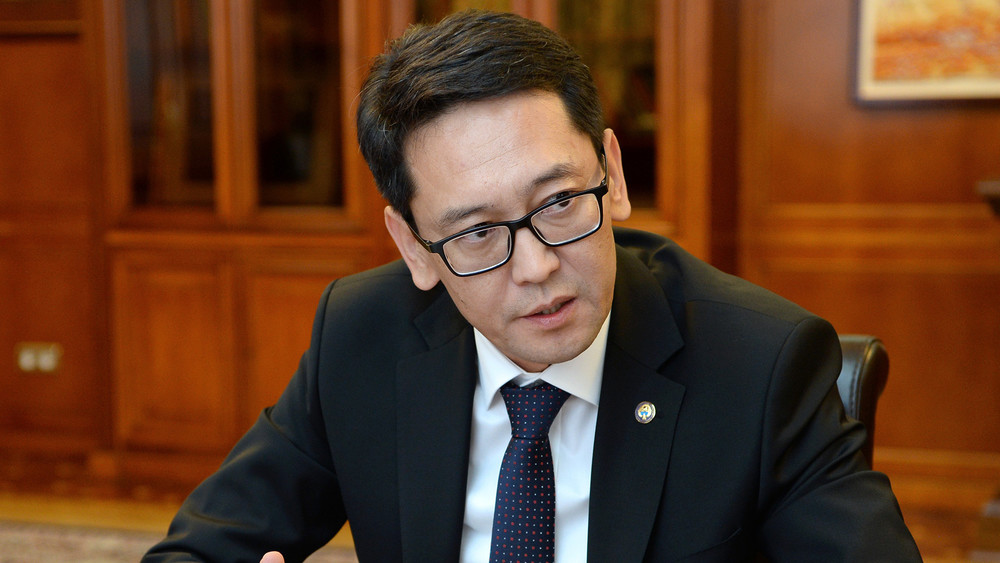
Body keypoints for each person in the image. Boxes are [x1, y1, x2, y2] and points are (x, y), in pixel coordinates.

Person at [144, 9, 921, 562]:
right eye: (478, 233)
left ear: (613, 175)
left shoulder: (761, 365)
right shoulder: (362, 335)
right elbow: (199, 548)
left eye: (558, 203)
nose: (537, 266)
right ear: (414, 246)